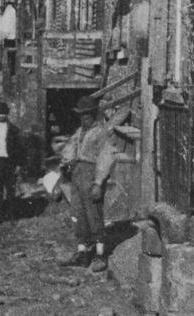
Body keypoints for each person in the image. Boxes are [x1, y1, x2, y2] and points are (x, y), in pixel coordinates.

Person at [59, 95, 121, 272]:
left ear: (94, 115)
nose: (84, 119)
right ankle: (82, 253)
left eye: (87, 115)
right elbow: (70, 149)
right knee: (78, 214)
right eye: (81, 115)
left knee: (94, 215)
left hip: (91, 174)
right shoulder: (80, 132)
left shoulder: (101, 133)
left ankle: (100, 255)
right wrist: (66, 162)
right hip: (78, 174)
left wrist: (98, 183)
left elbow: (106, 157)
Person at [0, 102, 27, 223]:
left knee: (11, 190)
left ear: (7, 115)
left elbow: (20, 148)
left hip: (10, 162)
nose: (1, 116)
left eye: (4, 114)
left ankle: (12, 215)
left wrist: (19, 165)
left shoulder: (14, 129)